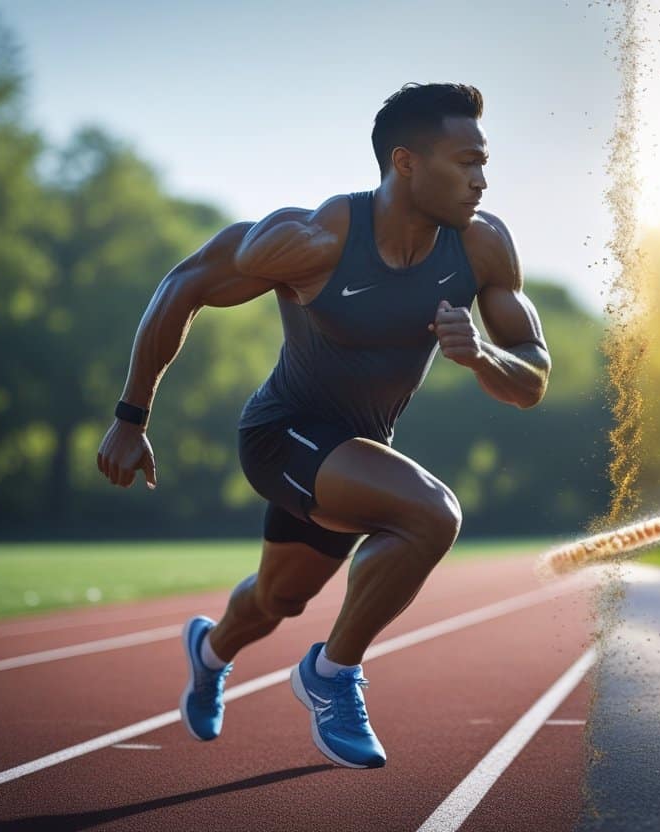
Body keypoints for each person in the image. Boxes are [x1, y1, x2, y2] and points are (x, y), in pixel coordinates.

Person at [96, 83, 550, 769]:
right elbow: (184, 284)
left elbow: (532, 378)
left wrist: (483, 355)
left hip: (359, 453)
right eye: (467, 163)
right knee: (432, 514)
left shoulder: (482, 246)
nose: (481, 181)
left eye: (484, 163)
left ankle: (211, 650)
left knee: (278, 598)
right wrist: (131, 418)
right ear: (406, 162)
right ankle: (332, 675)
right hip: (282, 435)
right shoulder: (316, 239)